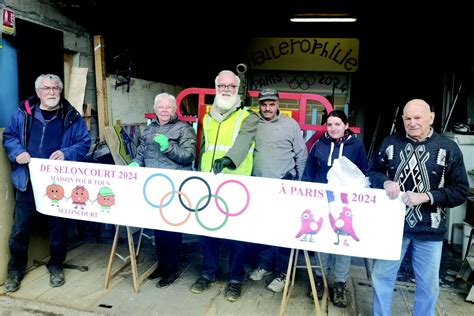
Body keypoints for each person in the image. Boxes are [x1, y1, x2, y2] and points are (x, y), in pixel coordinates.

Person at [368, 99, 469, 316]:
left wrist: (427, 196)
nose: (412, 123)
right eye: (408, 118)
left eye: (418, 117)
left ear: (431, 118)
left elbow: (460, 190)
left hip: (430, 230)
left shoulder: (448, 148)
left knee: (427, 286)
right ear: (402, 120)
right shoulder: (390, 142)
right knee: (381, 278)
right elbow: (373, 172)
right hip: (393, 227)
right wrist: (384, 182)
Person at [2, 74, 91, 292]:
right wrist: (18, 152)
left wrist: (66, 152)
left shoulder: (71, 116)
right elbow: (9, 137)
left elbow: (84, 142)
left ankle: (56, 266)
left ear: (60, 91)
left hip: (58, 183)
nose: (51, 92)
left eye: (55, 88)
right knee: (20, 229)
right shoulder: (23, 113)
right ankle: (15, 271)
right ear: (38, 91)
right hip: (28, 181)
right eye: (46, 88)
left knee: (57, 228)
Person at [220, 88, 308, 293]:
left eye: (272, 104)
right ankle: (265, 266)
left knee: (285, 232)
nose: (267, 108)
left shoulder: (290, 124)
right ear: (259, 104)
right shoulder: (251, 122)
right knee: (264, 230)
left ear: (278, 104)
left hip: (285, 186)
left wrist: (301, 186)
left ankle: (283, 272)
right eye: (264, 104)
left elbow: (301, 155)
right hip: (258, 187)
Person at [190, 70, 256, 302]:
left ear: (238, 90)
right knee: (207, 231)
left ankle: (235, 279)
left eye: (231, 86)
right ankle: (208, 273)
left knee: (237, 235)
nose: (226, 89)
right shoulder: (208, 117)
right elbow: (205, 147)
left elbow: (244, 141)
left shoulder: (248, 116)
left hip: (236, 184)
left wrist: (229, 159)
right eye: (222, 85)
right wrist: (198, 171)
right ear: (215, 87)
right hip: (209, 184)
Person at [129, 92, 197, 288]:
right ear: (155, 109)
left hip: (174, 187)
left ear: (174, 109)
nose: (164, 110)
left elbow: (188, 156)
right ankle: (161, 264)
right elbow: (141, 153)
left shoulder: (183, 129)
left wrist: (168, 147)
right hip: (153, 186)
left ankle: (172, 270)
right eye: (161, 107)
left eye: (168, 107)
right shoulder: (148, 131)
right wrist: (135, 163)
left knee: (171, 229)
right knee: (157, 228)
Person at [302, 110, 368, 307]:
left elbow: (364, 173)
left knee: (343, 243)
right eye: (330, 124)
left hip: (346, 203)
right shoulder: (318, 144)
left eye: (337, 124)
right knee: (322, 240)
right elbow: (309, 172)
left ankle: (340, 283)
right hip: (322, 199)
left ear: (346, 125)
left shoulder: (356, 146)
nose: (333, 128)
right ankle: (319, 279)